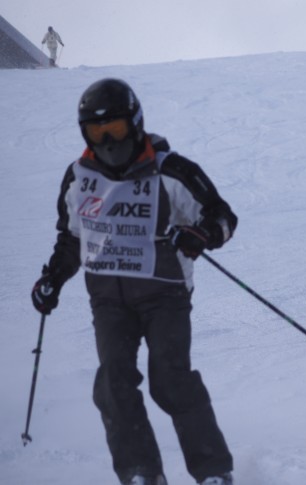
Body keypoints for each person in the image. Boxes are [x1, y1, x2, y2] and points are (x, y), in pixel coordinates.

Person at [30, 78, 237, 485]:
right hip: (108, 300)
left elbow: (222, 217)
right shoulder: (79, 177)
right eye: (96, 131)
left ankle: (213, 471)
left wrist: (202, 235)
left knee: (170, 380)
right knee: (113, 383)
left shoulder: (171, 171)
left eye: (116, 129)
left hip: (165, 295)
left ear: (136, 123)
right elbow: (72, 237)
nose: (107, 140)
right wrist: (53, 278)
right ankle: (142, 471)